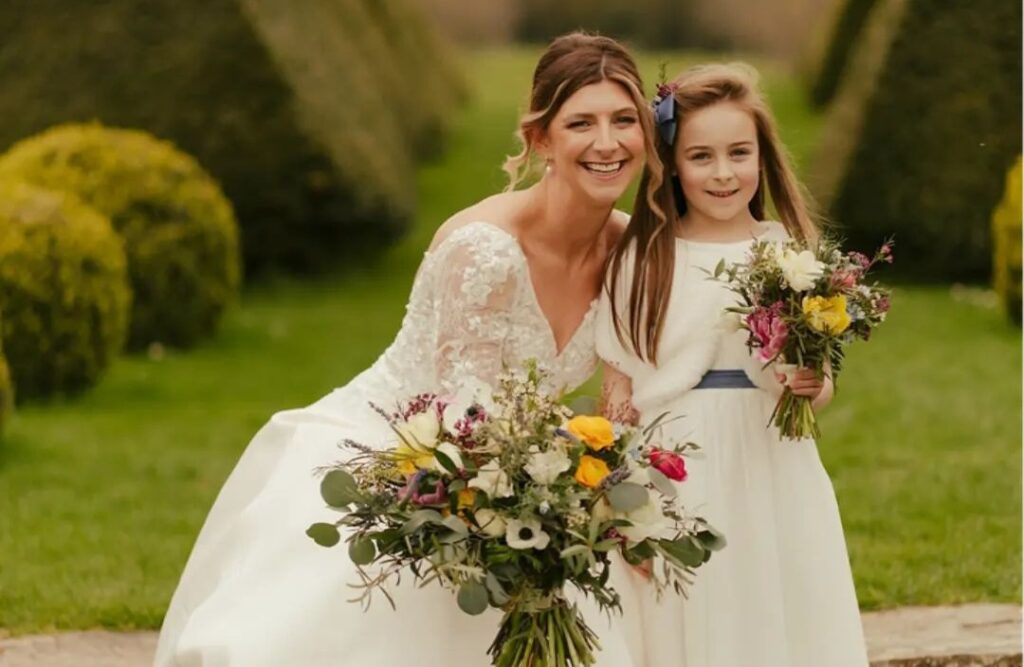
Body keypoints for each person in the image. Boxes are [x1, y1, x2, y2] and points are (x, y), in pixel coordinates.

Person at [154, 32, 660, 667]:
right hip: (407, 449)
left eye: (623, 120)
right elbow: (463, 413)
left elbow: (620, 401)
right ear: (541, 138)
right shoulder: (484, 248)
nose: (607, 143)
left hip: (520, 463)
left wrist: (613, 494)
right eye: (581, 122)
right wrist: (547, 480)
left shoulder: (634, 254)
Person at [597, 62, 869, 666]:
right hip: (675, 466)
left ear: (761, 157)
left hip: (771, 459)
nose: (723, 173)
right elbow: (616, 390)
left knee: (776, 605)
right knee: (687, 612)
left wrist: (810, 384)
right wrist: (620, 501)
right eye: (701, 157)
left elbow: (818, 385)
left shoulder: (790, 253)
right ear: (671, 166)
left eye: (738, 153)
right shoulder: (644, 258)